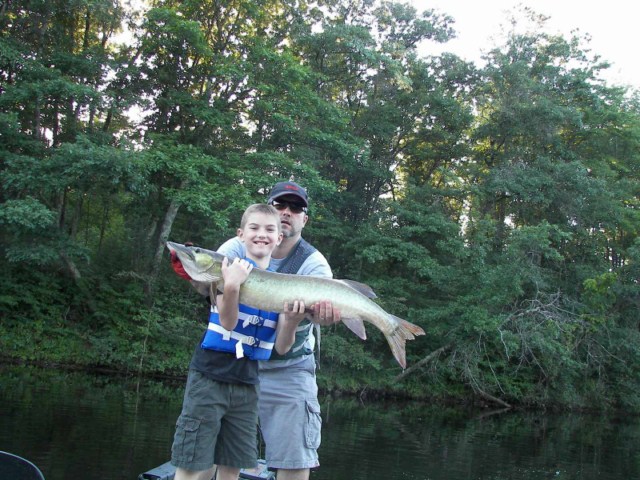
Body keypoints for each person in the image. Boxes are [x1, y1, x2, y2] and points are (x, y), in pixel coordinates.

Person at [170, 203, 309, 480]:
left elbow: (282, 347)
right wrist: (232, 286)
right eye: (254, 228)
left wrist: (293, 320)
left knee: (232, 466)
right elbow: (228, 322)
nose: (262, 234)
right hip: (209, 378)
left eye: (269, 229)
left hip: (247, 385)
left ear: (279, 238)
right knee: (193, 463)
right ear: (241, 235)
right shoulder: (225, 271)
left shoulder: (286, 285)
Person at [217, 181, 341, 480]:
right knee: (219, 453)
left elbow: (320, 316)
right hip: (237, 362)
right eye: (280, 205)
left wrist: (323, 317)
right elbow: (210, 288)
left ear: (304, 219)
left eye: (295, 208)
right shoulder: (235, 247)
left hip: (288, 365)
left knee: (295, 459)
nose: (287, 212)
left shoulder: (314, 263)